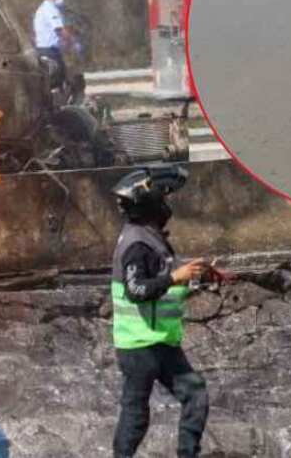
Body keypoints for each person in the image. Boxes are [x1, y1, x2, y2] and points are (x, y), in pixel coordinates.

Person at [110, 164, 210, 458]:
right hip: (139, 346)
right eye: (163, 198)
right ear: (149, 203)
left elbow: (164, 279)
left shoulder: (150, 236)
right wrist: (174, 278)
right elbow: (137, 290)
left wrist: (196, 275)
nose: (167, 204)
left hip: (162, 342)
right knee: (136, 415)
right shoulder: (136, 243)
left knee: (195, 395)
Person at [33, 0, 71, 88]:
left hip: (47, 48)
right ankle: (54, 100)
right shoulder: (49, 9)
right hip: (48, 49)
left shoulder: (48, 8)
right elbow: (58, 29)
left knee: (59, 75)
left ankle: (58, 97)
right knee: (56, 77)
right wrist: (70, 40)